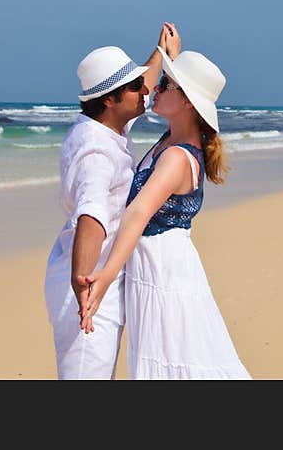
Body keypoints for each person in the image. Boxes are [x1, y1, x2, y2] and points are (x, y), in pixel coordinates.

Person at [78, 45, 251, 379]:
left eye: (165, 85)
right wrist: (164, 53)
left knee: (174, 360)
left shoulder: (175, 157)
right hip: (158, 267)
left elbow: (138, 212)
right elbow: (123, 109)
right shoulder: (170, 141)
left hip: (163, 271)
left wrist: (106, 276)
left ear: (186, 101)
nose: (153, 88)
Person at [44, 24, 181, 380]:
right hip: (88, 284)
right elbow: (91, 216)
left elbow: (144, 84)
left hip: (97, 275)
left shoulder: (107, 126)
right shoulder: (95, 150)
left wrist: (161, 53)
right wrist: (86, 287)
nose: (145, 91)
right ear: (109, 99)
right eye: (135, 87)